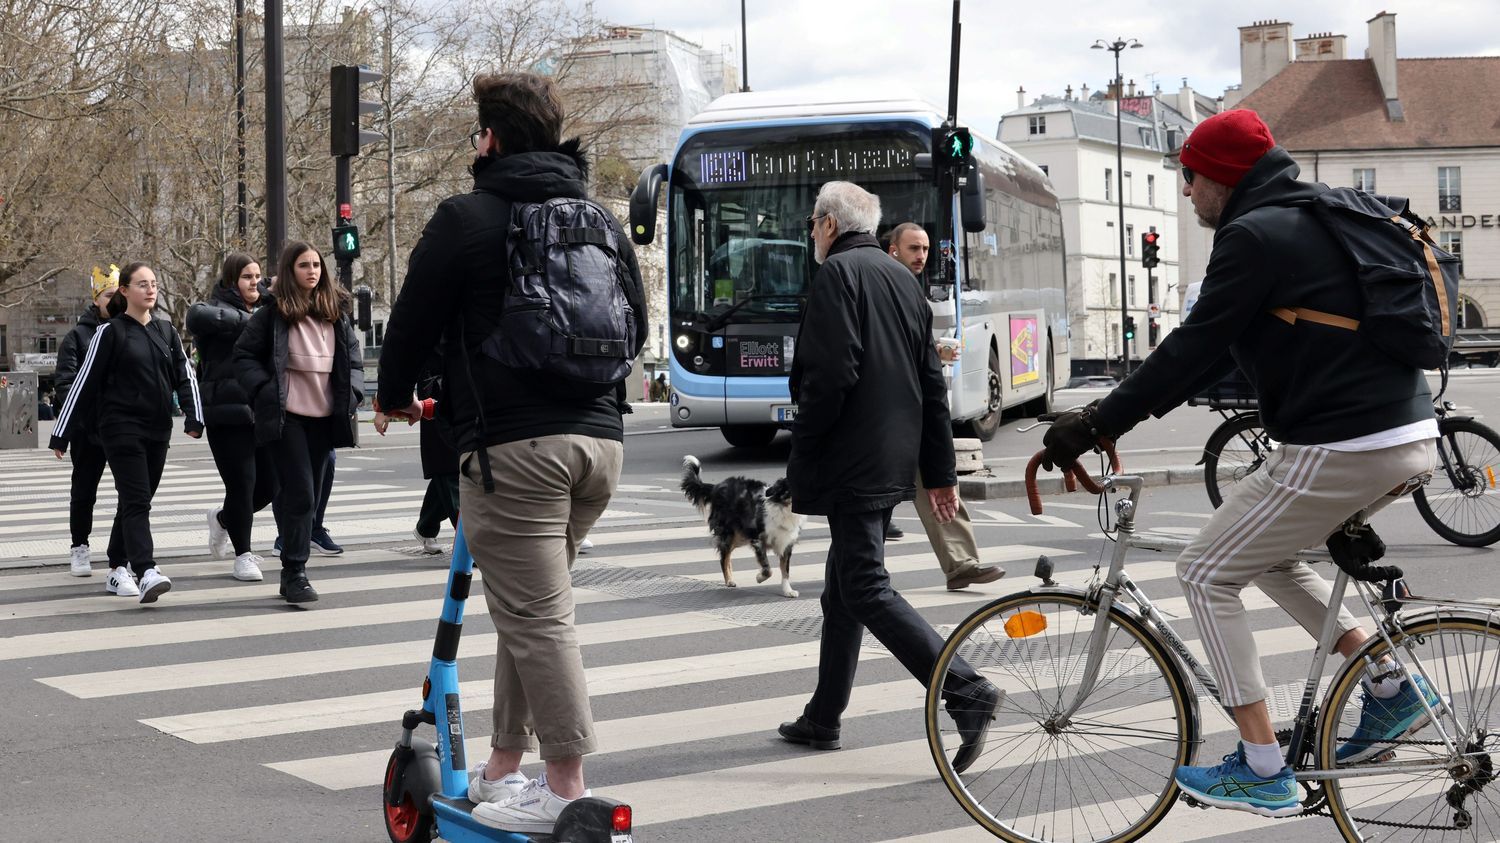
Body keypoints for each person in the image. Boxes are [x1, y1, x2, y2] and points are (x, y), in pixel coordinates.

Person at [1040, 109, 1440, 818]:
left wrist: (1094, 422)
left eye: (1190, 178)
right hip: (1402, 428)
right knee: (1262, 550)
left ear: (1220, 176)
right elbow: (1236, 348)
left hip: (1344, 440)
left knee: (1202, 570)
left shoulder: (1253, 234)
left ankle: (1262, 767)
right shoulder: (1312, 214)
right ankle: (1388, 683)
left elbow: (1193, 347)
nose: (1187, 193)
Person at [375, 71, 646, 835]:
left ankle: (566, 785)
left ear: (489, 138)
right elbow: (639, 328)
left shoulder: (466, 218)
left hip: (515, 450)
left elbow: (409, 324)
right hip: (601, 443)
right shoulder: (599, 217)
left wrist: (393, 392)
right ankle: (501, 767)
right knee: (532, 608)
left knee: (538, 617)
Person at [777, 181, 1000, 772]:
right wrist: (937, 470)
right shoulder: (903, 280)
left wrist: (802, 447)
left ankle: (963, 687)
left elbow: (829, 378)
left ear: (827, 224)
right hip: (890, 457)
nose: (812, 235)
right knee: (843, 591)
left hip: (851, 458)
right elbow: (932, 385)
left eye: (812, 225)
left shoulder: (838, 276)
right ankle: (823, 717)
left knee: (865, 586)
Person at [50, 262, 204, 603]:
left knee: (138, 499)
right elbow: (82, 385)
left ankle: (117, 567)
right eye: (142, 284)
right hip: (120, 429)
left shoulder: (167, 331)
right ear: (125, 291)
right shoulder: (110, 333)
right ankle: (146, 569)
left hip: (158, 429)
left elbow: (185, 376)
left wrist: (194, 418)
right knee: (136, 500)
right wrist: (61, 433)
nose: (151, 290)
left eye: (154, 284)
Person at [234, 242, 364, 603]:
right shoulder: (272, 313)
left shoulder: (335, 313)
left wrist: (352, 394)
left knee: (311, 494)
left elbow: (353, 361)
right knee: (301, 494)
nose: (312, 271)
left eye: (317, 265)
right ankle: (295, 572)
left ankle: (293, 571)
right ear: (290, 271)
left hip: (325, 418)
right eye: (304, 265)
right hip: (286, 416)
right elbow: (243, 356)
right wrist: (263, 389)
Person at [886, 222, 1004, 590]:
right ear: (893, 249)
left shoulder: (911, 290)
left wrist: (931, 354)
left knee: (937, 480)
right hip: (890, 413)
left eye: (924, 249)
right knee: (873, 501)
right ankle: (852, 571)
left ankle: (961, 564)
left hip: (913, 411)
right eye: (913, 249)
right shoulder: (887, 287)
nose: (921, 256)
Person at [189, 252, 278, 582]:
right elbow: (195, 317)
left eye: (258, 276)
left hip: (262, 411)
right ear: (230, 281)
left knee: (270, 485)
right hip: (226, 414)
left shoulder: (268, 311)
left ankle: (224, 519)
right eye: (247, 277)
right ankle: (243, 554)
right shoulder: (213, 313)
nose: (255, 282)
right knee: (242, 484)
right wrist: (257, 318)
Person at [54, 266, 126, 579]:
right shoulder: (77, 337)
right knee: (84, 491)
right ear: (96, 299)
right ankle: (79, 547)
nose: (113, 301)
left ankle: (124, 552)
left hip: (123, 426)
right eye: (108, 295)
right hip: (88, 429)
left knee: (131, 492)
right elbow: (65, 383)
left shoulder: (130, 329)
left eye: (117, 294)